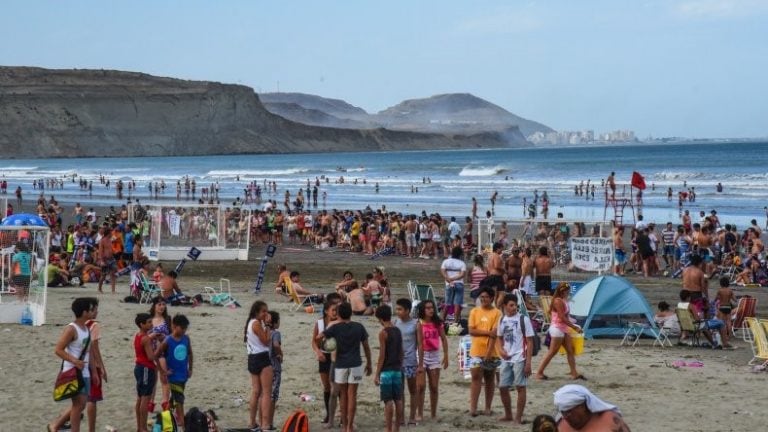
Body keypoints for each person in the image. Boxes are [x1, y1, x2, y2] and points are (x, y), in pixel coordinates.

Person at [318, 302, 372, 432]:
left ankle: (344, 425)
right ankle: (349, 426)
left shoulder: (335, 328)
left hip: (340, 364)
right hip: (356, 364)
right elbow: (366, 346)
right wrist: (369, 363)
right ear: (351, 313)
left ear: (339, 314)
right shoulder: (359, 327)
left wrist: (326, 344)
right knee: (352, 395)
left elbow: (319, 337)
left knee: (343, 395)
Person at [48, 297, 98, 432]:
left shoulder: (87, 328)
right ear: (84, 312)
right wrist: (74, 361)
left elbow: (90, 353)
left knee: (80, 405)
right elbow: (58, 349)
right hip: (73, 372)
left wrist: (94, 372)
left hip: (85, 371)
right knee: (79, 404)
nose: (95, 311)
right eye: (92, 309)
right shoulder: (71, 329)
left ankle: (62, 427)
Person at [496, 293, 534, 424]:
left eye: (515, 305)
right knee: (502, 387)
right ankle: (508, 414)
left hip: (520, 357)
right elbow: (499, 338)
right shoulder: (501, 320)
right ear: (505, 306)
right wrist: (501, 350)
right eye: (511, 305)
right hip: (506, 358)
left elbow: (530, 341)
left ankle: (518, 416)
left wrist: (528, 362)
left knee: (520, 387)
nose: (514, 308)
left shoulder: (523, 319)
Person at [535, 283, 585, 381]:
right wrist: (574, 327)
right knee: (552, 352)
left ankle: (574, 373)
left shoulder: (563, 300)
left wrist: (574, 324)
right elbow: (562, 318)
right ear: (562, 291)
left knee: (570, 350)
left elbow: (566, 317)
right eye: (567, 291)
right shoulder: (558, 301)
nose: (568, 292)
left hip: (563, 328)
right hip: (557, 328)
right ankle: (539, 372)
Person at [468, 286, 502, 417]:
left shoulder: (497, 313)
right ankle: (473, 408)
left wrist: (488, 352)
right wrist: (487, 332)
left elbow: (495, 334)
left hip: (491, 351)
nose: (483, 299)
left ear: (492, 298)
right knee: (475, 377)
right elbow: (471, 331)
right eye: (481, 297)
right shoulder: (474, 312)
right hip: (476, 350)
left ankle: (488, 407)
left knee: (489, 379)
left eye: (486, 297)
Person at [155, 314, 193, 430]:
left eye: (185, 328)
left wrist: (190, 368)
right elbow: (156, 355)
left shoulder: (186, 339)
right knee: (180, 399)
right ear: (174, 326)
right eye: (182, 328)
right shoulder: (168, 340)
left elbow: (190, 354)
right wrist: (163, 371)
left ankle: (166, 416)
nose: (184, 331)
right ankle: (182, 424)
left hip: (183, 375)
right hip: (174, 376)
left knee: (175, 398)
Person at [415, 299, 449, 421]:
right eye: (427, 308)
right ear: (422, 310)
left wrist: (446, 355)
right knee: (420, 386)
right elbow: (418, 343)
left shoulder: (437, 323)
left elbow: (444, 339)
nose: (430, 310)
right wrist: (419, 363)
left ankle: (433, 413)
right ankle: (419, 413)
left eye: (432, 307)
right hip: (422, 355)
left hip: (435, 355)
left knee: (434, 387)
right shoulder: (419, 323)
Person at [311, 296, 343, 426]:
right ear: (326, 311)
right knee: (327, 388)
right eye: (333, 310)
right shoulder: (319, 323)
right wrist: (318, 352)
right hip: (324, 356)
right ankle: (329, 415)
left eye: (337, 310)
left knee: (338, 388)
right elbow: (314, 341)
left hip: (337, 357)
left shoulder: (340, 323)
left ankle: (342, 415)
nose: (336, 313)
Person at [374, 305, 404, 432]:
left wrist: (377, 374)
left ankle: (389, 429)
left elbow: (382, 355)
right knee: (398, 399)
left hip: (386, 370)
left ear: (381, 319)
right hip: (397, 369)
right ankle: (397, 427)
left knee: (388, 401)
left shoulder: (383, 333)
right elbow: (401, 352)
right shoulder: (397, 330)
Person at [245, 301, 274, 431]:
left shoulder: (251, 322)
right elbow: (266, 341)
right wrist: (268, 325)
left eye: (267, 311)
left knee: (256, 391)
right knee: (266, 392)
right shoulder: (256, 323)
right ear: (257, 312)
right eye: (263, 311)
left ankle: (252, 422)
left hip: (252, 357)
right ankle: (265, 424)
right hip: (261, 357)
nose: (266, 314)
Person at [553, 384, 629, 431]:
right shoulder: (560, 423)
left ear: (583, 406)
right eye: (563, 412)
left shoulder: (610, 421)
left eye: (570, 411)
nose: (566, 417)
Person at [393, 298, 420, 426]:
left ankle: (412, 416)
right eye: (396, 309)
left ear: (408, 310)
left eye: (400, 309)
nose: (397, 311)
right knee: (400, 390)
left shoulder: (416, 324)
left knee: (412, 389)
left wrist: (420, 364)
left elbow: (421, 345)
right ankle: (401, 417)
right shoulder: (395, 322)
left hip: (410, 362)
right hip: (398, 363)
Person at [133, 312, 159, 432]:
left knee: (140, 397)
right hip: (146, 368)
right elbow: (150, 357)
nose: (151, 324)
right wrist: (159, 350)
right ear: (142, 324)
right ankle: (142, 427)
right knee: (145, 398)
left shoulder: (139, 336)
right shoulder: (145, 339)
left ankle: (140, 426)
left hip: (139, 367)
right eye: (148, 322)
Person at [148, 297, 171, 413]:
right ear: (154, 306)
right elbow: (143, 336)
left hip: (162, 352)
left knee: (164, 378)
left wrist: (164, 338)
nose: (162, 307)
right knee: (152, 379)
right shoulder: (148, 320)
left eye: (163, 304)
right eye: (159, 304)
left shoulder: (167, 320)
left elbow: (172, 337)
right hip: (150, 352)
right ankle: (150, 403)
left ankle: (165, 401)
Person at [440, 246, 467, 322]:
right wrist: (454, 279)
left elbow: (442, 271)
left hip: (449, 284)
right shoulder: (462, 263)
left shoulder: (446, 261)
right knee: (457, 303)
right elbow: (462, 274)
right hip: (459, 284)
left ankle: (442, 320)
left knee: (447, 303)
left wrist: (448, 279)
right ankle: (455, 321)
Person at [267, 311, 283, 429]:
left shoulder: (265, 332)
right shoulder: (276, 333)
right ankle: (270, 423)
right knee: (273, 396)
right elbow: (276, 345)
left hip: (264, 365)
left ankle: (264, 421)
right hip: (274, 366)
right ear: (276, 322)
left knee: (265, 394)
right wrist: (280, 354)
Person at [96, 226, 117, 293]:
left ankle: (113, 290)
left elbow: (110, 249)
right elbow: (100, 251)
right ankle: (99, 288)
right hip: (105, 259)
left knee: (113, 274)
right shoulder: (102, 241)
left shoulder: (110, 240)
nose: (112, 234)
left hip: (111, 258)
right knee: (103, 275)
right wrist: (102, 261)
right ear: (108, 233)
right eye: (111, 233)